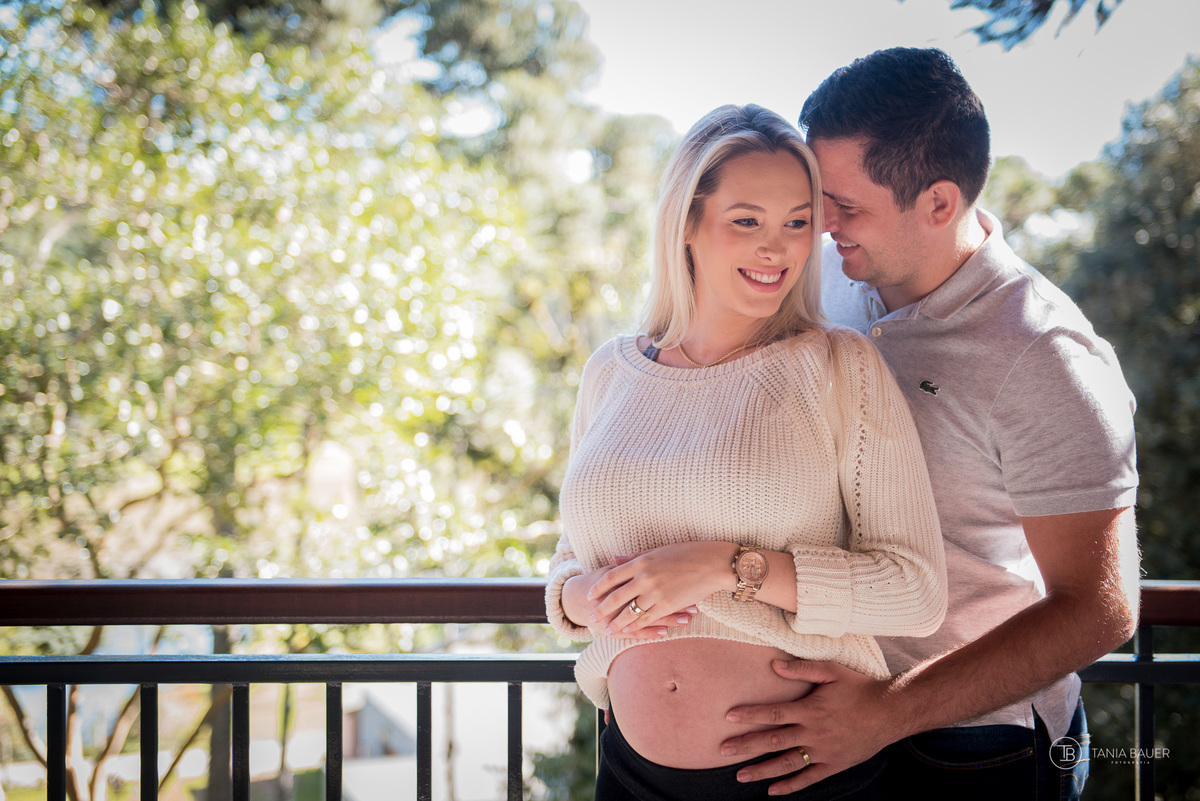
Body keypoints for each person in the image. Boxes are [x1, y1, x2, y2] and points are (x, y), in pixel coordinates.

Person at [719, 48, 1141, 800]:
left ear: (940, 203)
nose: (822, 224)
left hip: (975, 746)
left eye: (845, 205)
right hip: (829, 718)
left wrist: (889, 712)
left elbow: (1099, 608)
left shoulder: (1047, 356)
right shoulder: (834, 287)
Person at [544, 103, 948, 801]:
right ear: (688, 223)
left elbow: (916, 590)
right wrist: (582, 598)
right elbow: (570, 561)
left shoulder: (838, 366)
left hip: (802, 776)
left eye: (797, 222)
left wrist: (729, 568)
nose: (778, 248)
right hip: (631, 772)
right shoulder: (609, 371)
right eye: (747, 221)